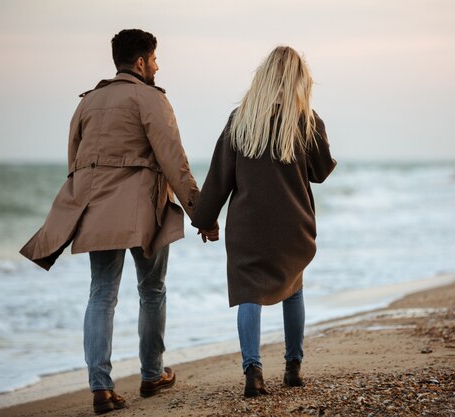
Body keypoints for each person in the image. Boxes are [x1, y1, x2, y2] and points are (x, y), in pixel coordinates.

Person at [20, 29, 218, 414]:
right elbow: (174, 163)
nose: (158, 66)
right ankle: (151, 374)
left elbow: (74, 163)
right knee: (152, 291)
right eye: (155, 59)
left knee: (101, 295)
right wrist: (201, 214)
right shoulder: (151, 99)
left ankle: (100, 387)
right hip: (146, 211)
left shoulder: (88, 102)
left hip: (96, 212)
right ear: (141, 62)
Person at [191, 46, 336, 398]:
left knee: (249, 294)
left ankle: (253, 372)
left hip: (248, 228)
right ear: (299, 81)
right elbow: (320, 171)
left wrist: (205, 219)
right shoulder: (307, 121)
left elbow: (219, 178)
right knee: (294, 287)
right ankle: (293, 367)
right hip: (294, 227)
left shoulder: (240, 119)